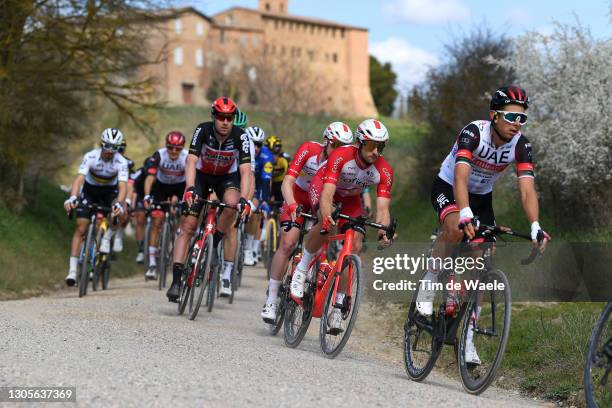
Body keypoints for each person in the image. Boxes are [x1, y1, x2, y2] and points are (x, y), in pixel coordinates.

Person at [417, 85, 551, 364]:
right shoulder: (474, 133)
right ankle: (429, 284)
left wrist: (535, 225)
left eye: (522, 119)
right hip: (449, 186)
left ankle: (467, 338)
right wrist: (464, 212)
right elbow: (461, 177)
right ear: (494, 115)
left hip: (481, 197)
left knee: (484, 257)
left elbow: (527, 190)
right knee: (454, 228)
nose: (517, 124)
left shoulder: (521, 146)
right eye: (511, 117)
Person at [288, 119, 396, 330]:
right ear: (360, 142)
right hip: (325, 187)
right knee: (324, 221)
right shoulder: (341, 155)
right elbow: (327, 194)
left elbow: (383, 209)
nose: (376, 152)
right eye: (372, 145)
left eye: (380, 147)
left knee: (354, 245)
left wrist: (384, 231)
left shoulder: (385, 170)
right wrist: (327, 216)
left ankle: (337, 307)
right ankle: (302, 268)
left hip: (351, 199)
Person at [260, 122, 353, 323]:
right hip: (298, 197)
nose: (340, 151)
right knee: (288, 243)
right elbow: (287, 182)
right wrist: (292, 205)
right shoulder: (309, 150)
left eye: (344, 148)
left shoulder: (345, 165)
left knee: (322, 238)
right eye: (336, 145)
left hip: (321, 202)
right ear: (327, 141)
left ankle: (311, 279)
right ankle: (272, 298)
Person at [166, 96, 253, 302]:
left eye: (229, 118)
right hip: (202, 177)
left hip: (226, 178)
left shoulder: (241, 136)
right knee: (187, 227)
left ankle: (214, 244)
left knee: (232, 205)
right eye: (221, 117)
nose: (225, 122)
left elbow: (246, 171)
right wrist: (189, 188)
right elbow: (191, 160)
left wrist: (245, 200)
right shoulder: (202, 130)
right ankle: (176, 281)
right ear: (214, 116)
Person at [63, 128, 129, 286]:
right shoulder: (90, 156)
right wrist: (73, 197)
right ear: (101, 144)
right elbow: (79, 179)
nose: (110, 151)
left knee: (119, 211)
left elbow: (123, 186)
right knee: (80, 229)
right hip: (90, 191)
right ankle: (72, 271)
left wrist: (119, 203)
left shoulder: (121, 161)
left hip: (109, 193)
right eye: (107, 146)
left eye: (114, 147)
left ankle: (106, 238)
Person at [142, 131, 188, 280]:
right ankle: (153, 263)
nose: (174, 151)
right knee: (156, 221)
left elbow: (190, 180)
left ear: (182, 148)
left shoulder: (186, 157)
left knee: (182, 220)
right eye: (171, 147)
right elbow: (150, 178)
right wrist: (147, 195)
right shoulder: (159, 155)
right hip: (161, 188)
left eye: (178, 148)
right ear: (166, 146)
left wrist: (184, 198)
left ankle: (175, 243)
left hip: (180, 187)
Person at [243, 127, 274, 266]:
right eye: (252, 143)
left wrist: (265, 201)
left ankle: (249, 248)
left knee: (255, 210)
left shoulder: (267, 156)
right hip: (240, 181)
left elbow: (266, 181)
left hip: (258, 185)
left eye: (259, 144)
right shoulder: (241, 148)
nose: (255, 148)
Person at [113, 140, 135, 253]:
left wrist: (127, 201)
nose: (119, 152)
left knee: (125, 211)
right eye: (117, 149)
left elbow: (130, 185)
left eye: (121, 149)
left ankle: (118, 235)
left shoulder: (127, 163)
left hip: (122, 190)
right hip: (109, 190)